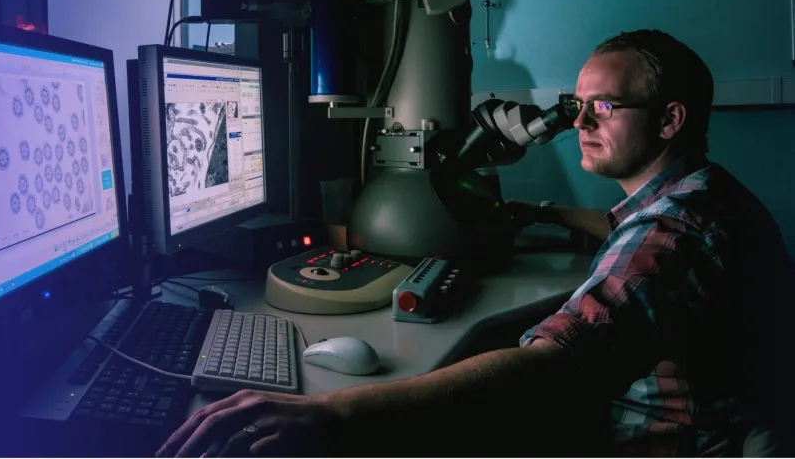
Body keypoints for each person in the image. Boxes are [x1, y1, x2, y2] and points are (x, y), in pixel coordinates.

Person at [156, 30, 794, 457]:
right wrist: (537, 212)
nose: (578, 123)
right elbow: (628, 233)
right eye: (577, 104)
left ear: (670, 119)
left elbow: (552, 369)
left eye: (603, 107)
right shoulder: (701, 194)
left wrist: (334, 413)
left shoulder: (674, 234)